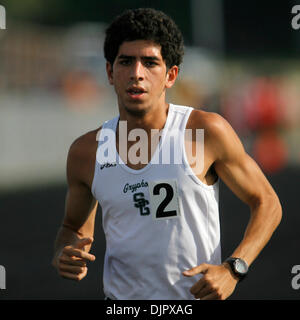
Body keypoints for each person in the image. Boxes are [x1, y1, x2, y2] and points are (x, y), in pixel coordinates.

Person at [52, 8, 282, 300]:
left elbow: (267, 203)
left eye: (150, 63)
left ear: (171, 75)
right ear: (110, 72)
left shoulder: (204, 131)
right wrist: (65, 252)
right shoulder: (87, 151)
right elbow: (72, 228)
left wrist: (234, 268)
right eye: (126, 62)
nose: (137, 73)